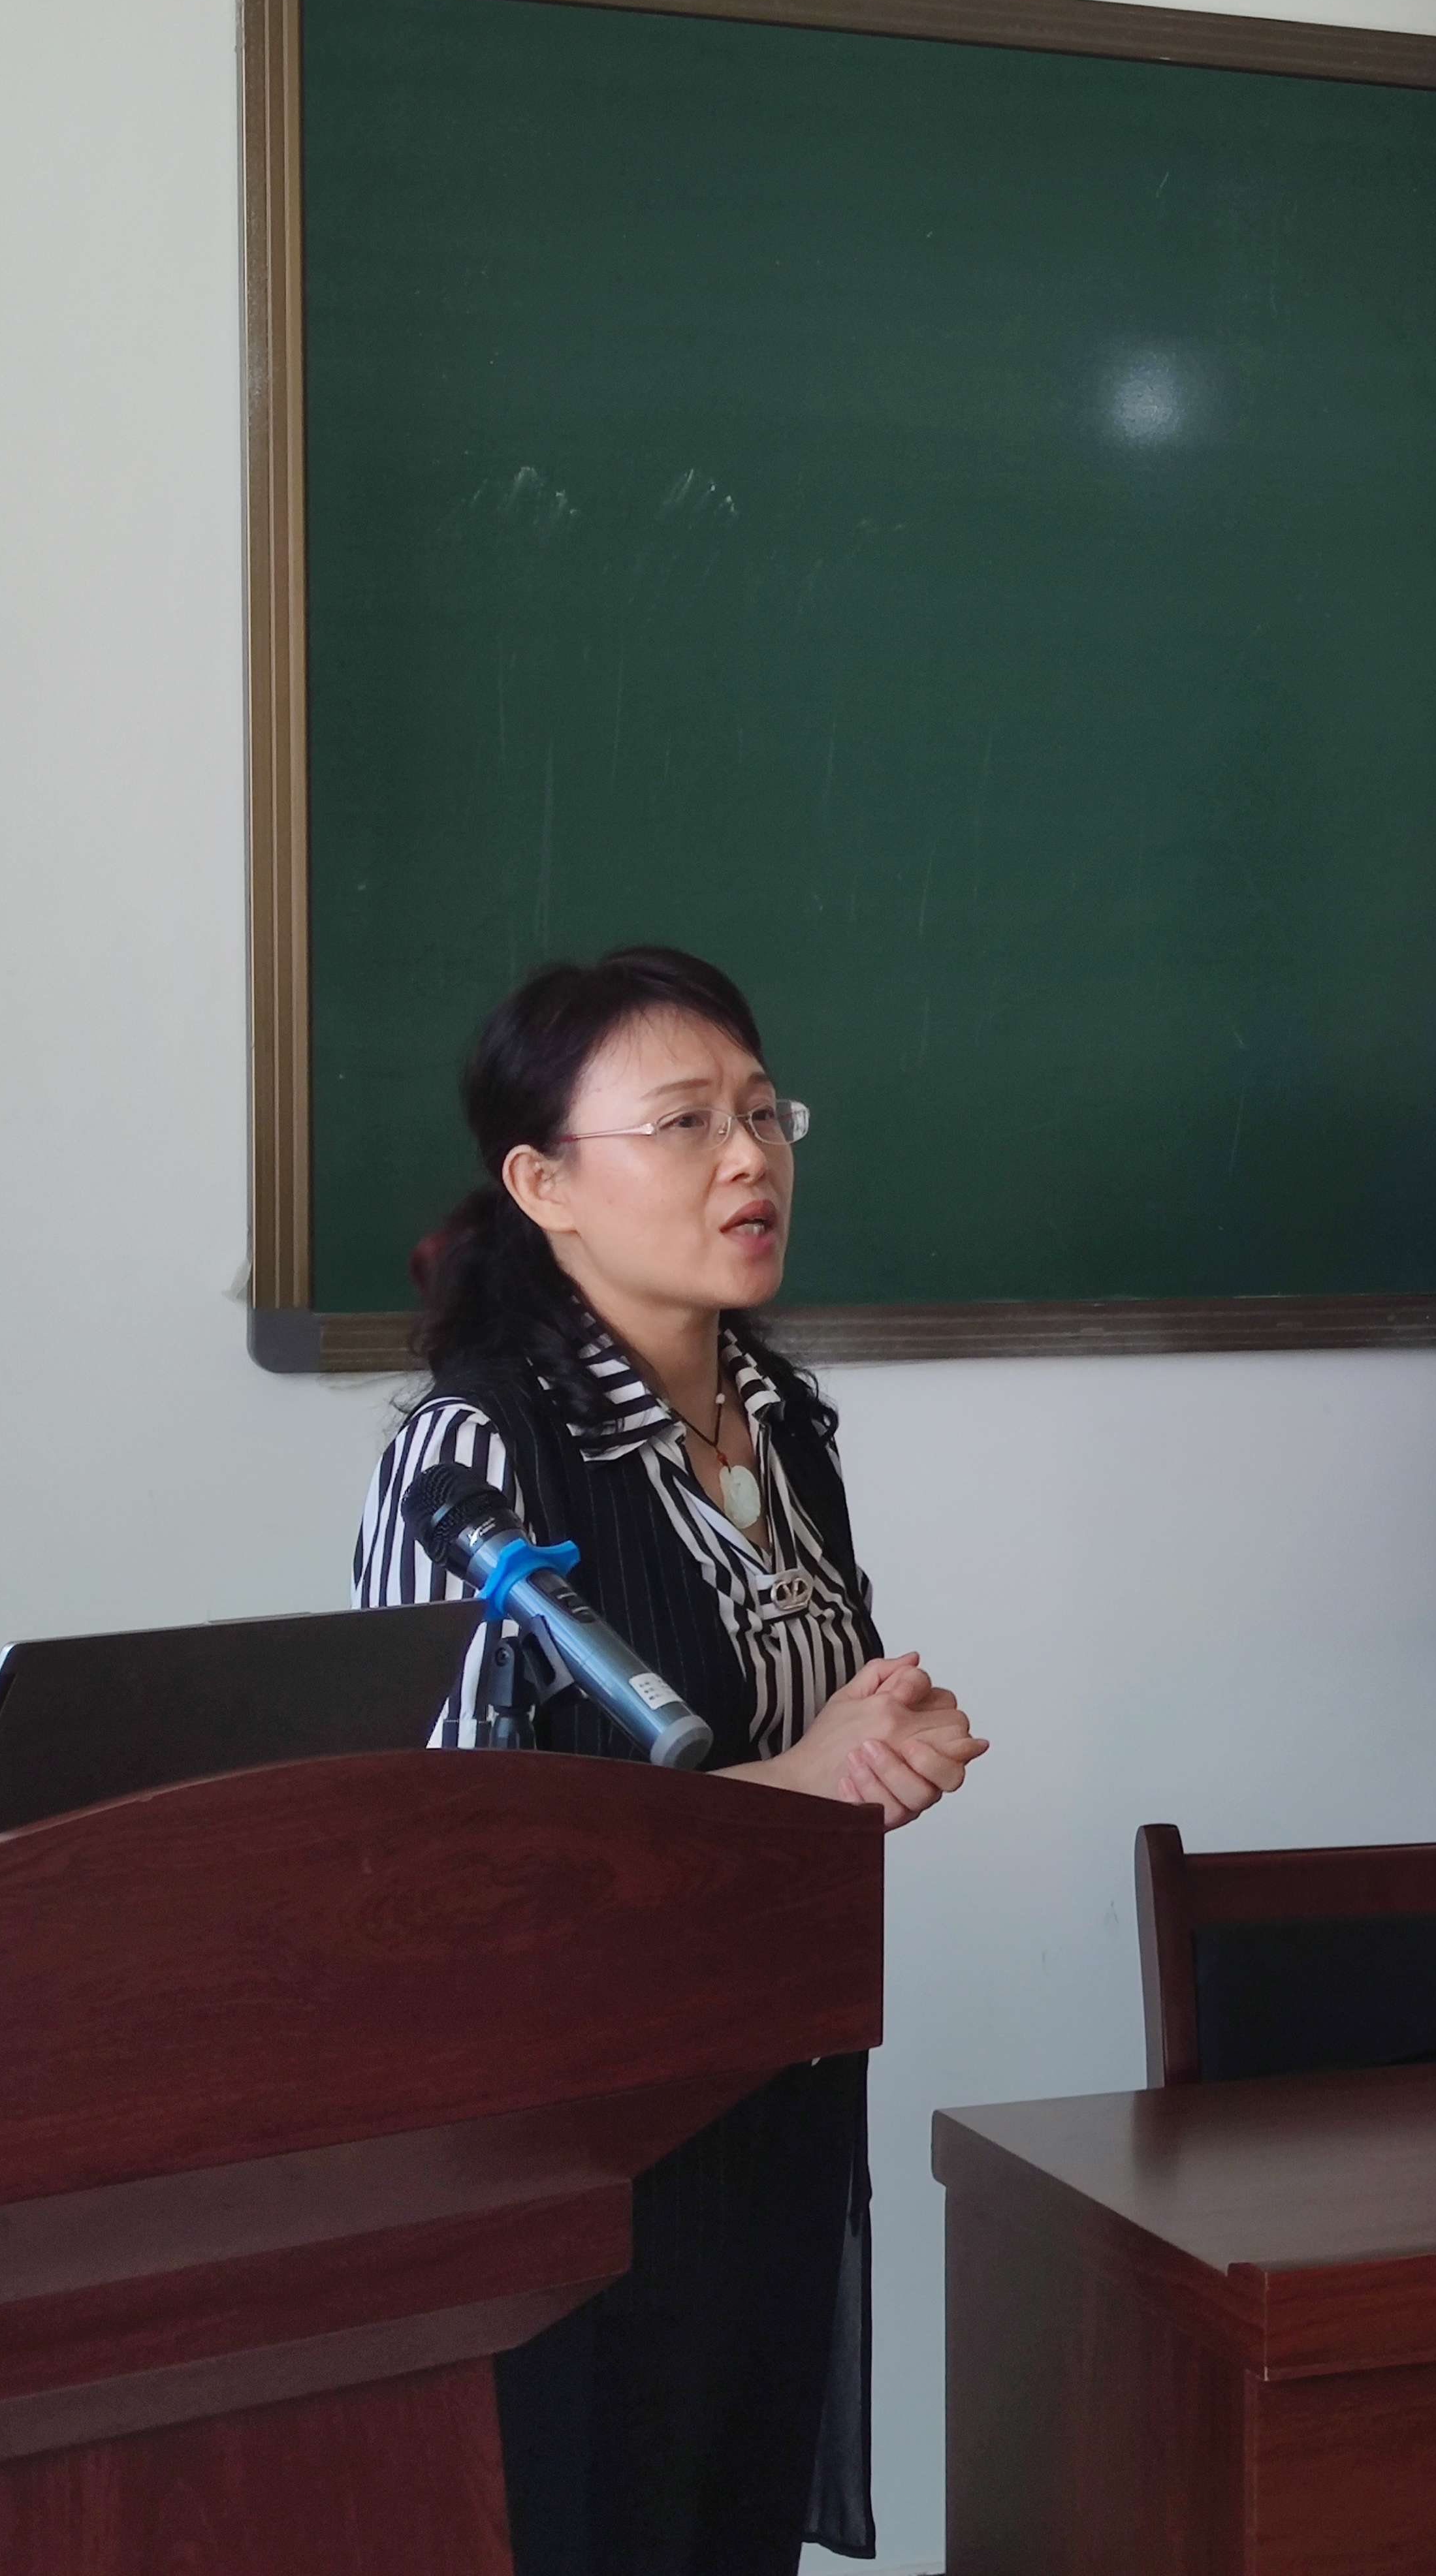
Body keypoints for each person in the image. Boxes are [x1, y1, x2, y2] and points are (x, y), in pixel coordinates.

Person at [352, 946, 985, 2575]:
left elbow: (798, 1738)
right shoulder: (475, 1452)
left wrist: (881, 1746)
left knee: (733, 2530)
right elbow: (444, 1866)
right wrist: (804, 1785)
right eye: (685, 1122)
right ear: (544, 1184)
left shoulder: (779, 1423)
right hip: (569, 2143)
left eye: (764, 1115)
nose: (748, 1159)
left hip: (778, 2088)